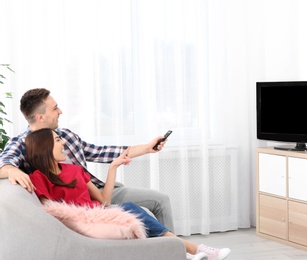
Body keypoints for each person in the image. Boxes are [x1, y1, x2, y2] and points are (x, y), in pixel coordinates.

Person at [25, 128, 231, 260]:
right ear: (45, 147)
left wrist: (113, 167)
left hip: (101, 215)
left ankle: (185, 251)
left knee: (136, 212)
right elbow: (50, 213)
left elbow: (104, 201)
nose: (63, 143)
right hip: (85, 224)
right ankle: (189, 249)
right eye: (58, 140)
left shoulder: (75, 170)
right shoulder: (38, 178)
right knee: (132, 210)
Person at [0, 88, 174, 232]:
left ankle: (171, 250)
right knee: (137, 212)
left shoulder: (66, 135)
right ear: (40, 117)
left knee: (160, 200)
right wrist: (11, 169)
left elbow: (101, 152)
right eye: (55, 108)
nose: (60, 111)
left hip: (98, 190)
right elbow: (4, 163)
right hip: (81, 206)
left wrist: (147, 148)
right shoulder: (22, 143)